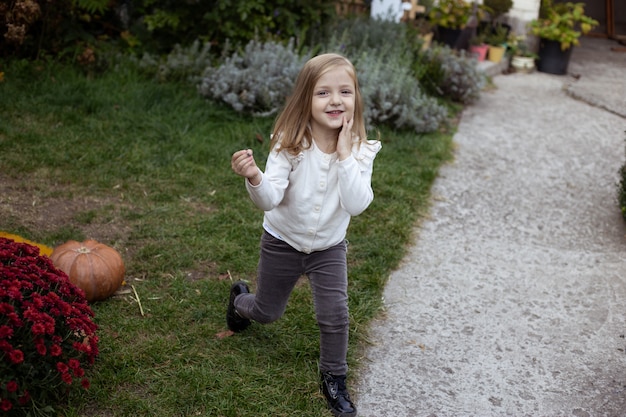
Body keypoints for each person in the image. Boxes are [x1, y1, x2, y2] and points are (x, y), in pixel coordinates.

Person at [228, 53, 381, 417]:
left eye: (345, 91)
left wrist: (344, 155)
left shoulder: (361, 149)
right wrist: (254, 178)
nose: (335, 100)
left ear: (356, 97)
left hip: (328, 248)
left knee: (335, 315)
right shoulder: (290, 143)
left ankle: (334, 378)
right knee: (267, 312)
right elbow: (270, 199)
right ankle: (239, 301)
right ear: (305, 100)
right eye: (323, 92)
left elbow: (357, 204)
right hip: (282, 241)